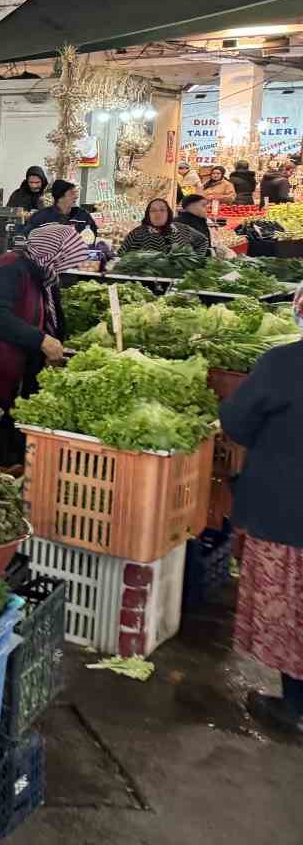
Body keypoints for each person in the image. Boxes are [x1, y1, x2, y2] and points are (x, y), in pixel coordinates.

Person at [216, 284, 303, 737]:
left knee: (291, 609)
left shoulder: (284, 363)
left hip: (288, 512)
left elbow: (237, 421)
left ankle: (296, 706)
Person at [0, 223, 91, 438]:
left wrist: (52, 344)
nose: (66, 264)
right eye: (64, 256)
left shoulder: (42, 273)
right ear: (51, 251)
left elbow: (47, 315)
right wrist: (42, 341)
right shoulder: (9, 269)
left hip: (14, 367)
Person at [120, 198, 202, 254]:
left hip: (178, 278)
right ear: (148, 215)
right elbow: (121, 254)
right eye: (153, 211)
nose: (158, 213)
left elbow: (202, 241)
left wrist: (195, 261)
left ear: (168, 213)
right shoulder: (137, 233)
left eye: (162, 210)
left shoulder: (182, 229)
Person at [24, 179, 99, 237]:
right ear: (60, 198)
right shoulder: (40, 217)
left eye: (76, 193)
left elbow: (93, 237)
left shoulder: (83, 216)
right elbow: (28, 237)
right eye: (71, 193)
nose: (76, 196)